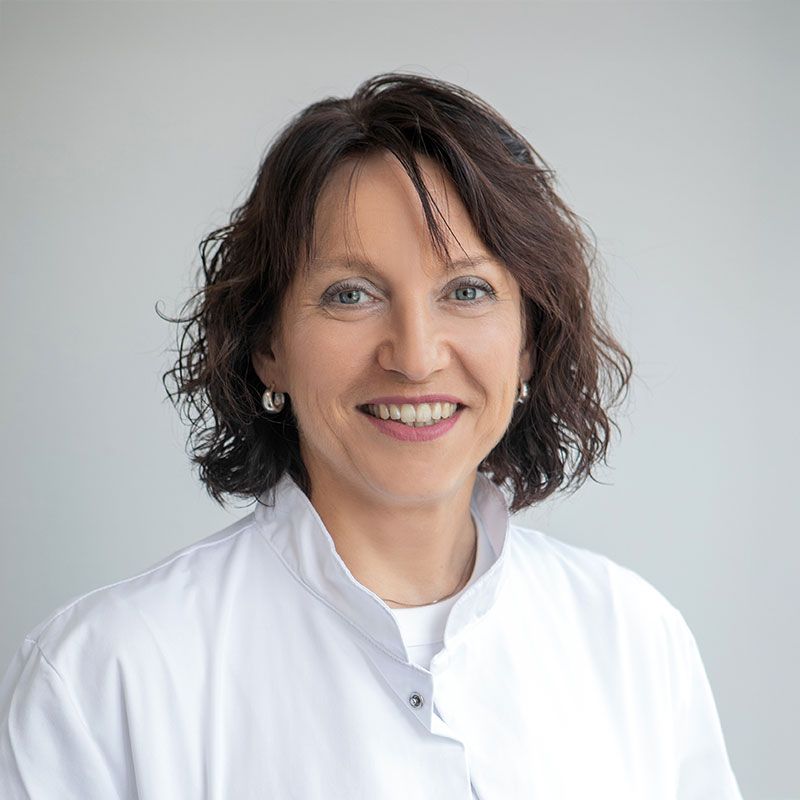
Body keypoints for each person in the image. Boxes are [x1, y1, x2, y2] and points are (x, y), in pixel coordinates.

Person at [0, 73, 743, 799]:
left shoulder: (635, 638)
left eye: (467, 290)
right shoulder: (103, 677)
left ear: (528, 342)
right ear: (269, 346)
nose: (415, 357)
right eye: (351, 295)